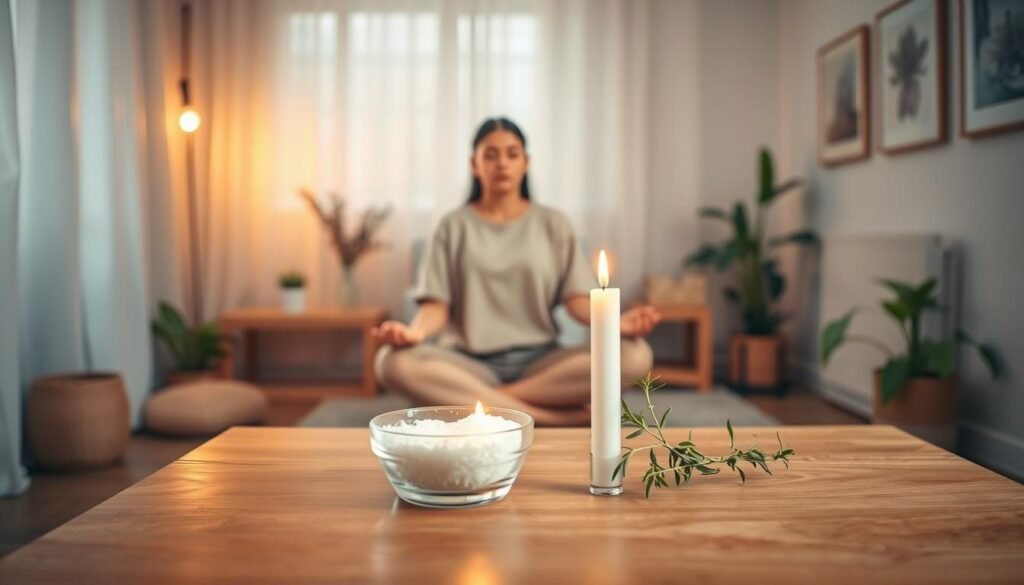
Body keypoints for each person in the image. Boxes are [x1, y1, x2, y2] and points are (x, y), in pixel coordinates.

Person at [373, 118, 660, 426]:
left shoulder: (553, 224)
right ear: (474, 164)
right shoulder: (452, 226)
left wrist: (615, 323)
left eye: (512, 154)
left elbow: (578, 301)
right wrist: (413, 333)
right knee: (390, 363)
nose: (502, 164)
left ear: (526, 162)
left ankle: (487, 401)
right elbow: (435, 307)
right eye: (491, 155)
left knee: (635, 355)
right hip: (467, 362)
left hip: (542, 364)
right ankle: (550, 418)